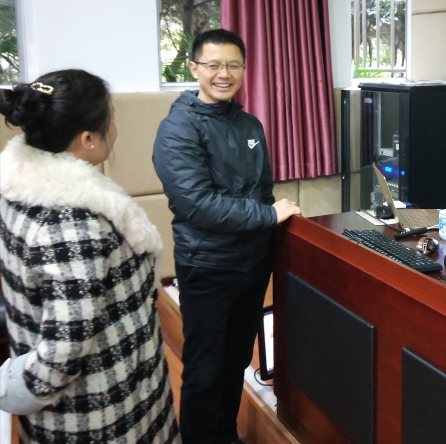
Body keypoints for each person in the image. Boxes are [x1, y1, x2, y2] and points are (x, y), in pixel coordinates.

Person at [0, 70, 179, 443]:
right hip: (101, 414)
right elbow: (64, 348)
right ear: (88, 139)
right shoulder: (72, 223)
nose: (114, 129)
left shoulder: (20, 189)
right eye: (110, 119)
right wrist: (16, 388)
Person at [152, 29, 301, 444]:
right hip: (209, 265)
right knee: (205, 368)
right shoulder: (178, 128)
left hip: (252, 264)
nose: (224, 74)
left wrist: (270, 225)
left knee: (235, 360)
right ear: (194, 68)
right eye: (214, 65)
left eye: (234, 65)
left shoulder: (250, 123)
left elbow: (263, 190)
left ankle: (225, 435)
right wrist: (269, 215)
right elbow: (197, 205)